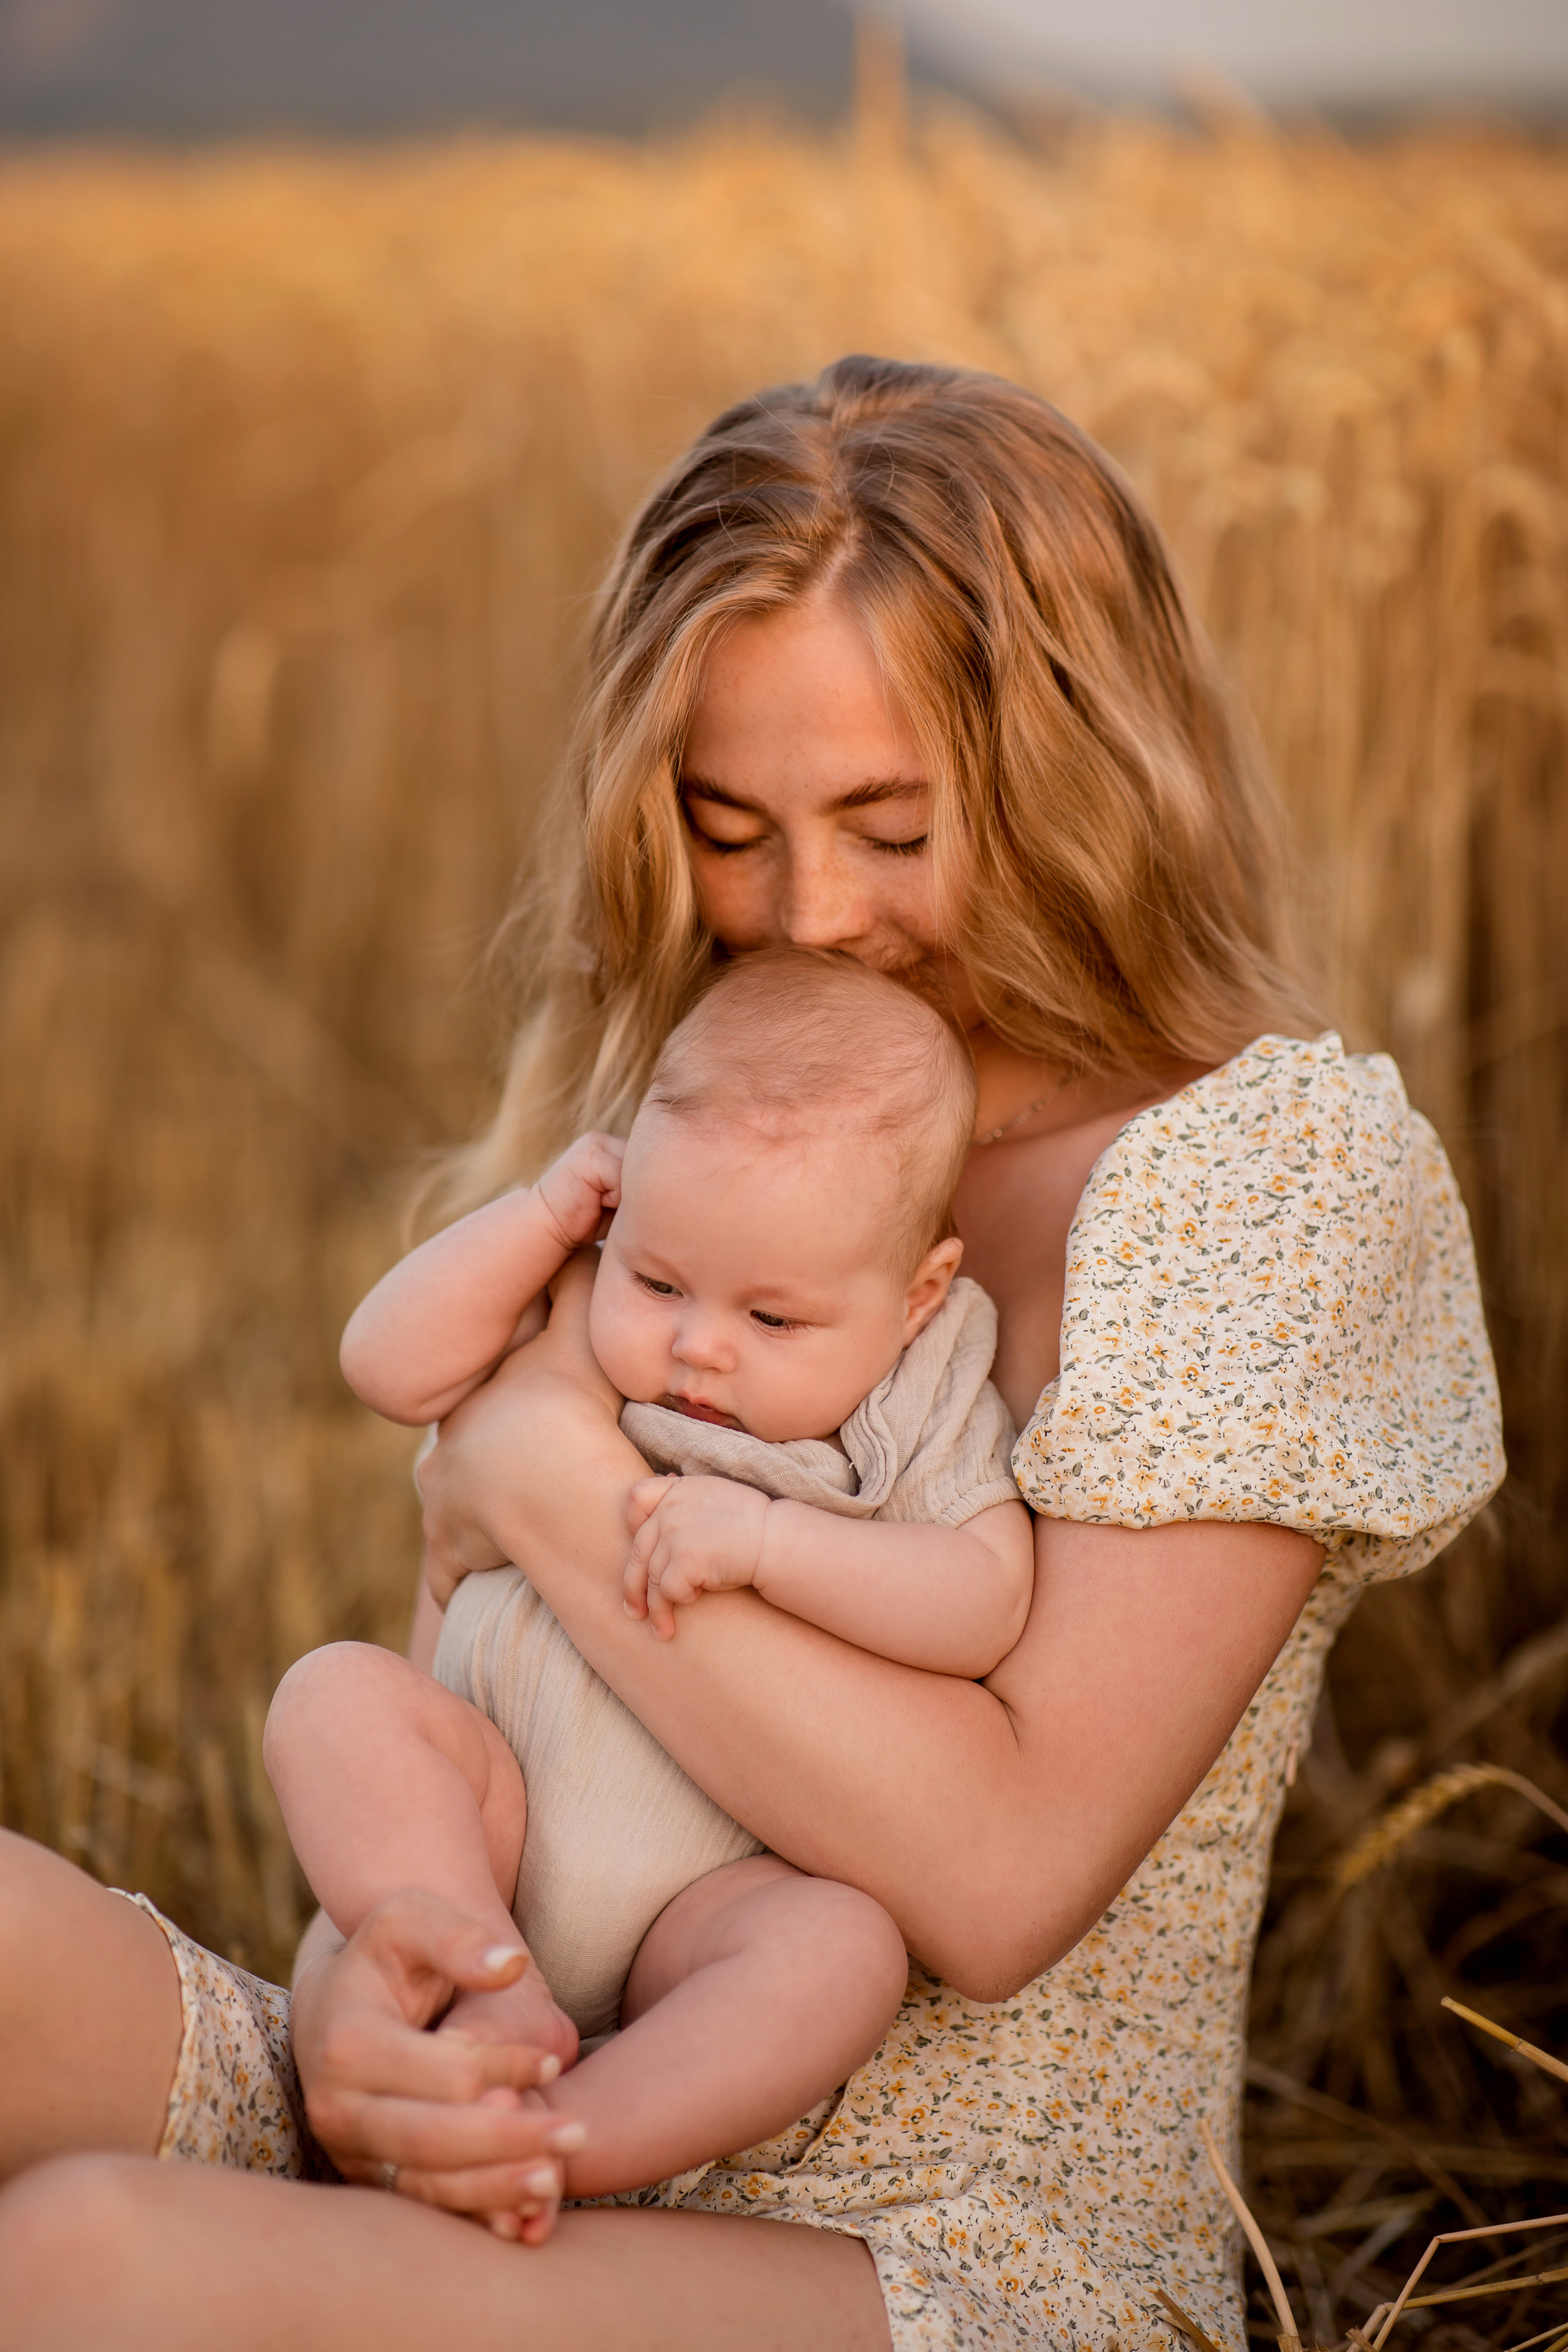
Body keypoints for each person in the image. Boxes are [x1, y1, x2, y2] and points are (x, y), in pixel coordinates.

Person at [0, 354, 1504, 2352]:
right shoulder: (710, 1142)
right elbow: (495, 1721)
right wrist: (384, 1980)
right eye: (732, 828)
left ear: (1074, 770)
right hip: (528, 2082)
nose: (810, 915)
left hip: (936, 2259)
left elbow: (995, 1872)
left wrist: (548, 1474)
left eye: (891, 828)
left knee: (88, 2267)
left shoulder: (1262, 1172)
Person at [263, 952, 1033, 2236]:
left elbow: (979, 1599)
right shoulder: (580, 1281)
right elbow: (385, 1366)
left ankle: (566, 2141)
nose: (696, 1344)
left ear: (916, 1295)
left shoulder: (924, 1386)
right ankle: (474, 1967)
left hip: (706, 1890)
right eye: (661, 1282)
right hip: (491, 1810)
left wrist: (774, 1545)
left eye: (773, 1320)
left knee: (839, 1953)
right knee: (333, 1696)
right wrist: (542, 1217)